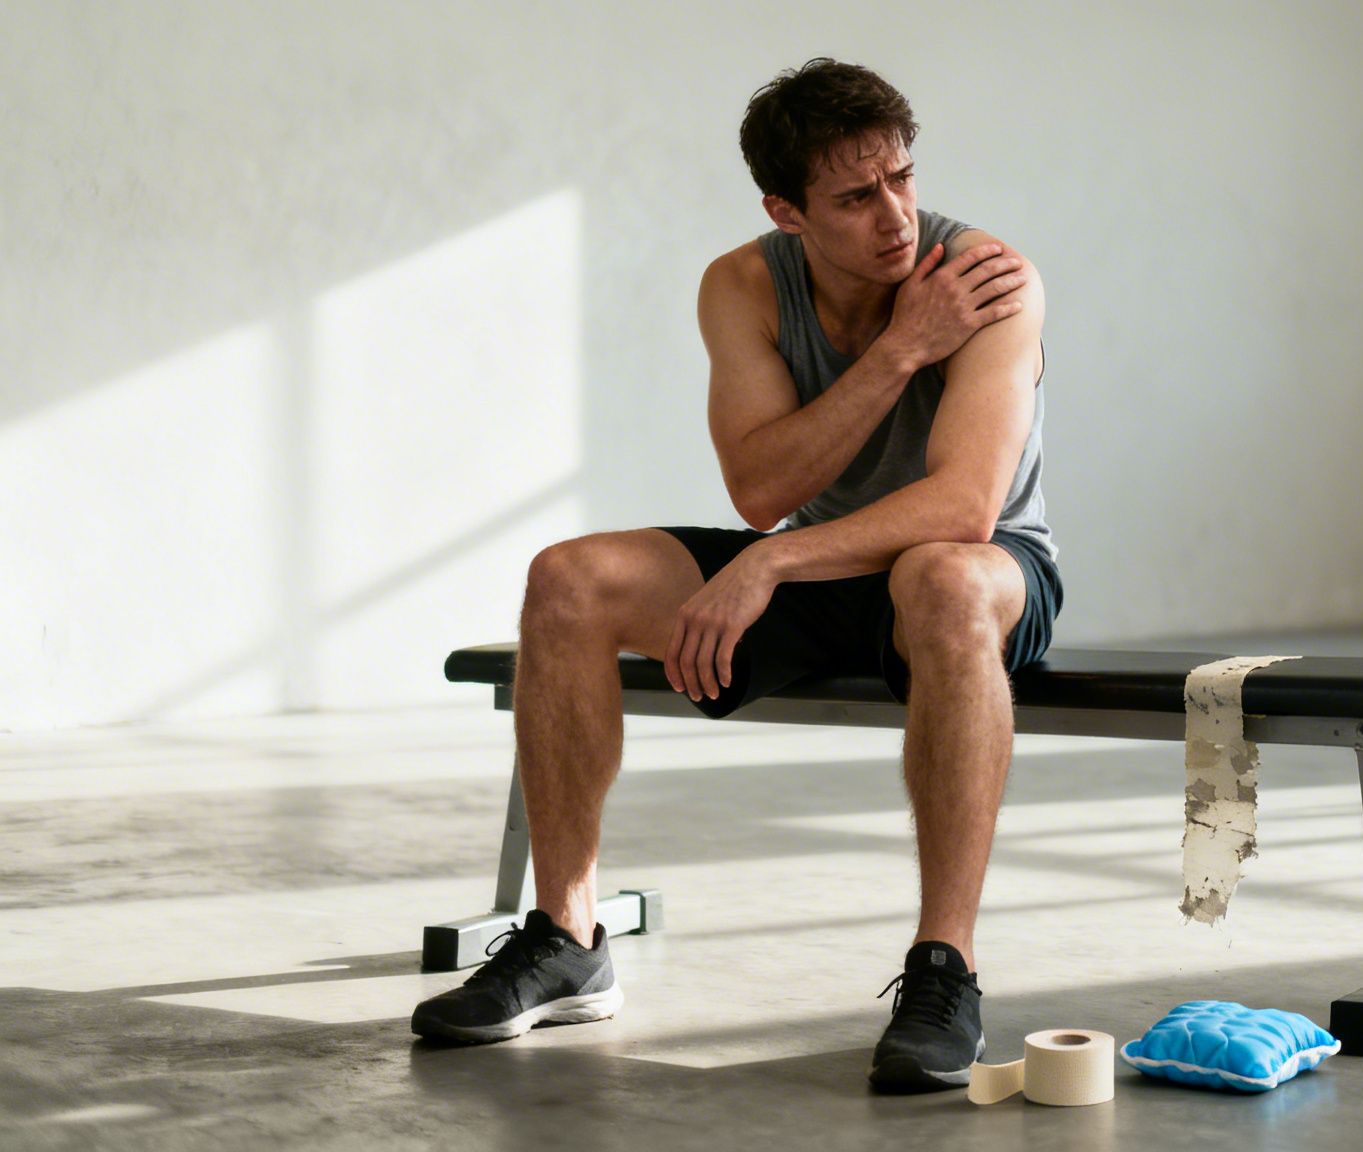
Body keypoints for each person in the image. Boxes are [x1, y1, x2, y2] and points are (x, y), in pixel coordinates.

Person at [410, 58, 1059, 1096]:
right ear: (785, 210)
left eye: (901, 177)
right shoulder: (744, 283)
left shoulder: (985, 277)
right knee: (568, 578)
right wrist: (896, 353)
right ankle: (568, 936)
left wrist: (770, 561)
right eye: (854, 196)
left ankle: (945, 970)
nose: (895, 215)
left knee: (937, 577)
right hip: (819, 561)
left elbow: (962, 506)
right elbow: (760, 486)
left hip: (982, 575)